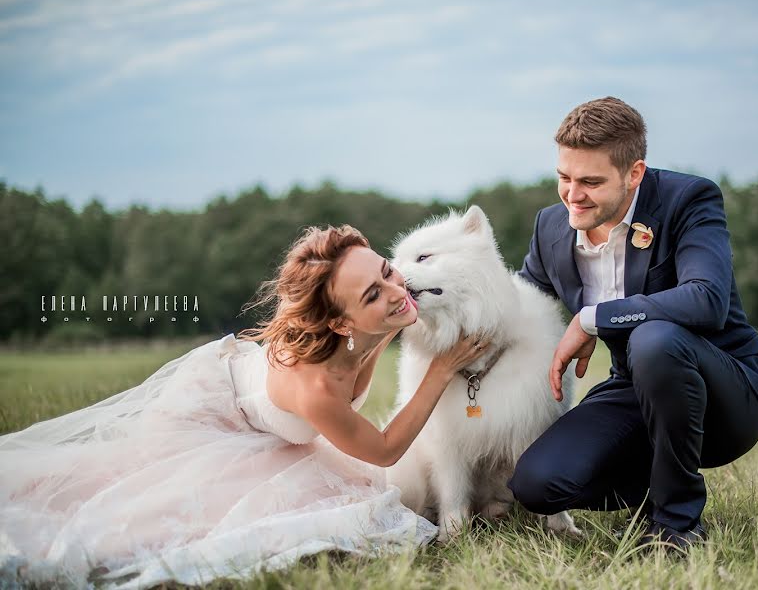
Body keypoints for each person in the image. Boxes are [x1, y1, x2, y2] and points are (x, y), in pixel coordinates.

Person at [0, 225, 490, 588]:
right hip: (205, 414)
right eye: (373, 294)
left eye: (387, 272)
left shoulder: (367, 319)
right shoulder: (316, 388)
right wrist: (441, 371)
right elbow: (383, 451)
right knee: (135, 512)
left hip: (259, 417)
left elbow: (402, 308)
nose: (397, 290)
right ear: (341, 325)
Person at [507, 97, 758, 552]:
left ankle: (676, 524)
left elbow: (707, 300)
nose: (572, 195)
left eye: (590, 182)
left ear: (634, 173)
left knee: (654, 339)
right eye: (564, 177)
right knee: (537, 486)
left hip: (723, 390)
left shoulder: (688, 200)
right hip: (633, 388)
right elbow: (517, 303)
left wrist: (593, 318)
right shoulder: (551, 227)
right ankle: (658, 485)